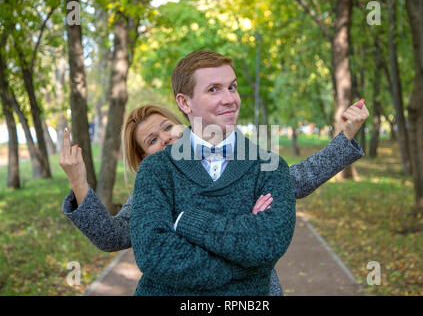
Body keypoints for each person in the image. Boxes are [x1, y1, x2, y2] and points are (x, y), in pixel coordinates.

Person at [60, 61, 369, 296]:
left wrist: (345, 137)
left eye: (167, 128)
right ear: (145, 158)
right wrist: (78, 181)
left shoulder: (252, 162)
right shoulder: (156, 184)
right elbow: (113, 237)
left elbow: (301, 178)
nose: (165, 139)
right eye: (152, 141)